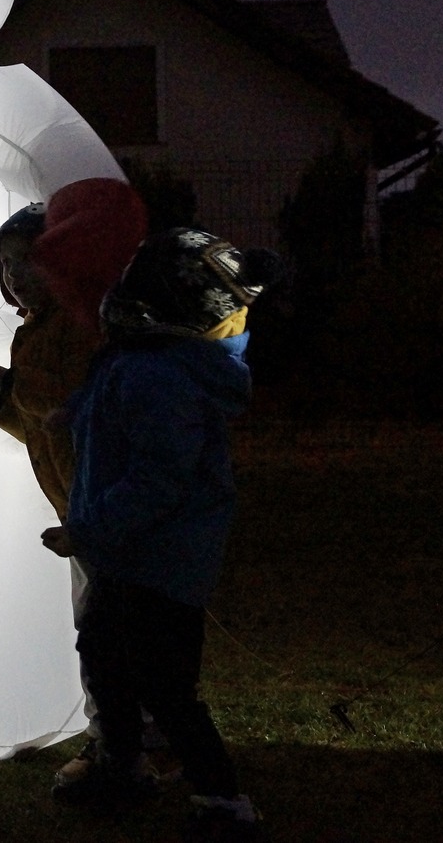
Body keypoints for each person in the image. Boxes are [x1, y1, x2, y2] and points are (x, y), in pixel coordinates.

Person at [50, 226, 281, 841]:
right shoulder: (148, 362)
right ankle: (122, 765)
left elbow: (159, 479)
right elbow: (113, 404)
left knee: (166, 688)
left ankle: (222, 800)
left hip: (159, 563)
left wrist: (87, 530)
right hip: (130, 559)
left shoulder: (161, 375)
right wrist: (70, 413)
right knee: (106, 659)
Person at [0, 181, 150, 788]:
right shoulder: (35, 329)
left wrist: (5, 382)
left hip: (105, 506)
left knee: (111, 632)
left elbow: (64, 403)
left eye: (27, 260)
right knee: (101, 627)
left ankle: (123, 742)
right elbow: (36, 423)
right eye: (5, 264)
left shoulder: (80, 326)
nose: (15, 275)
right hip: (78, 507)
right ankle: (126, 736)